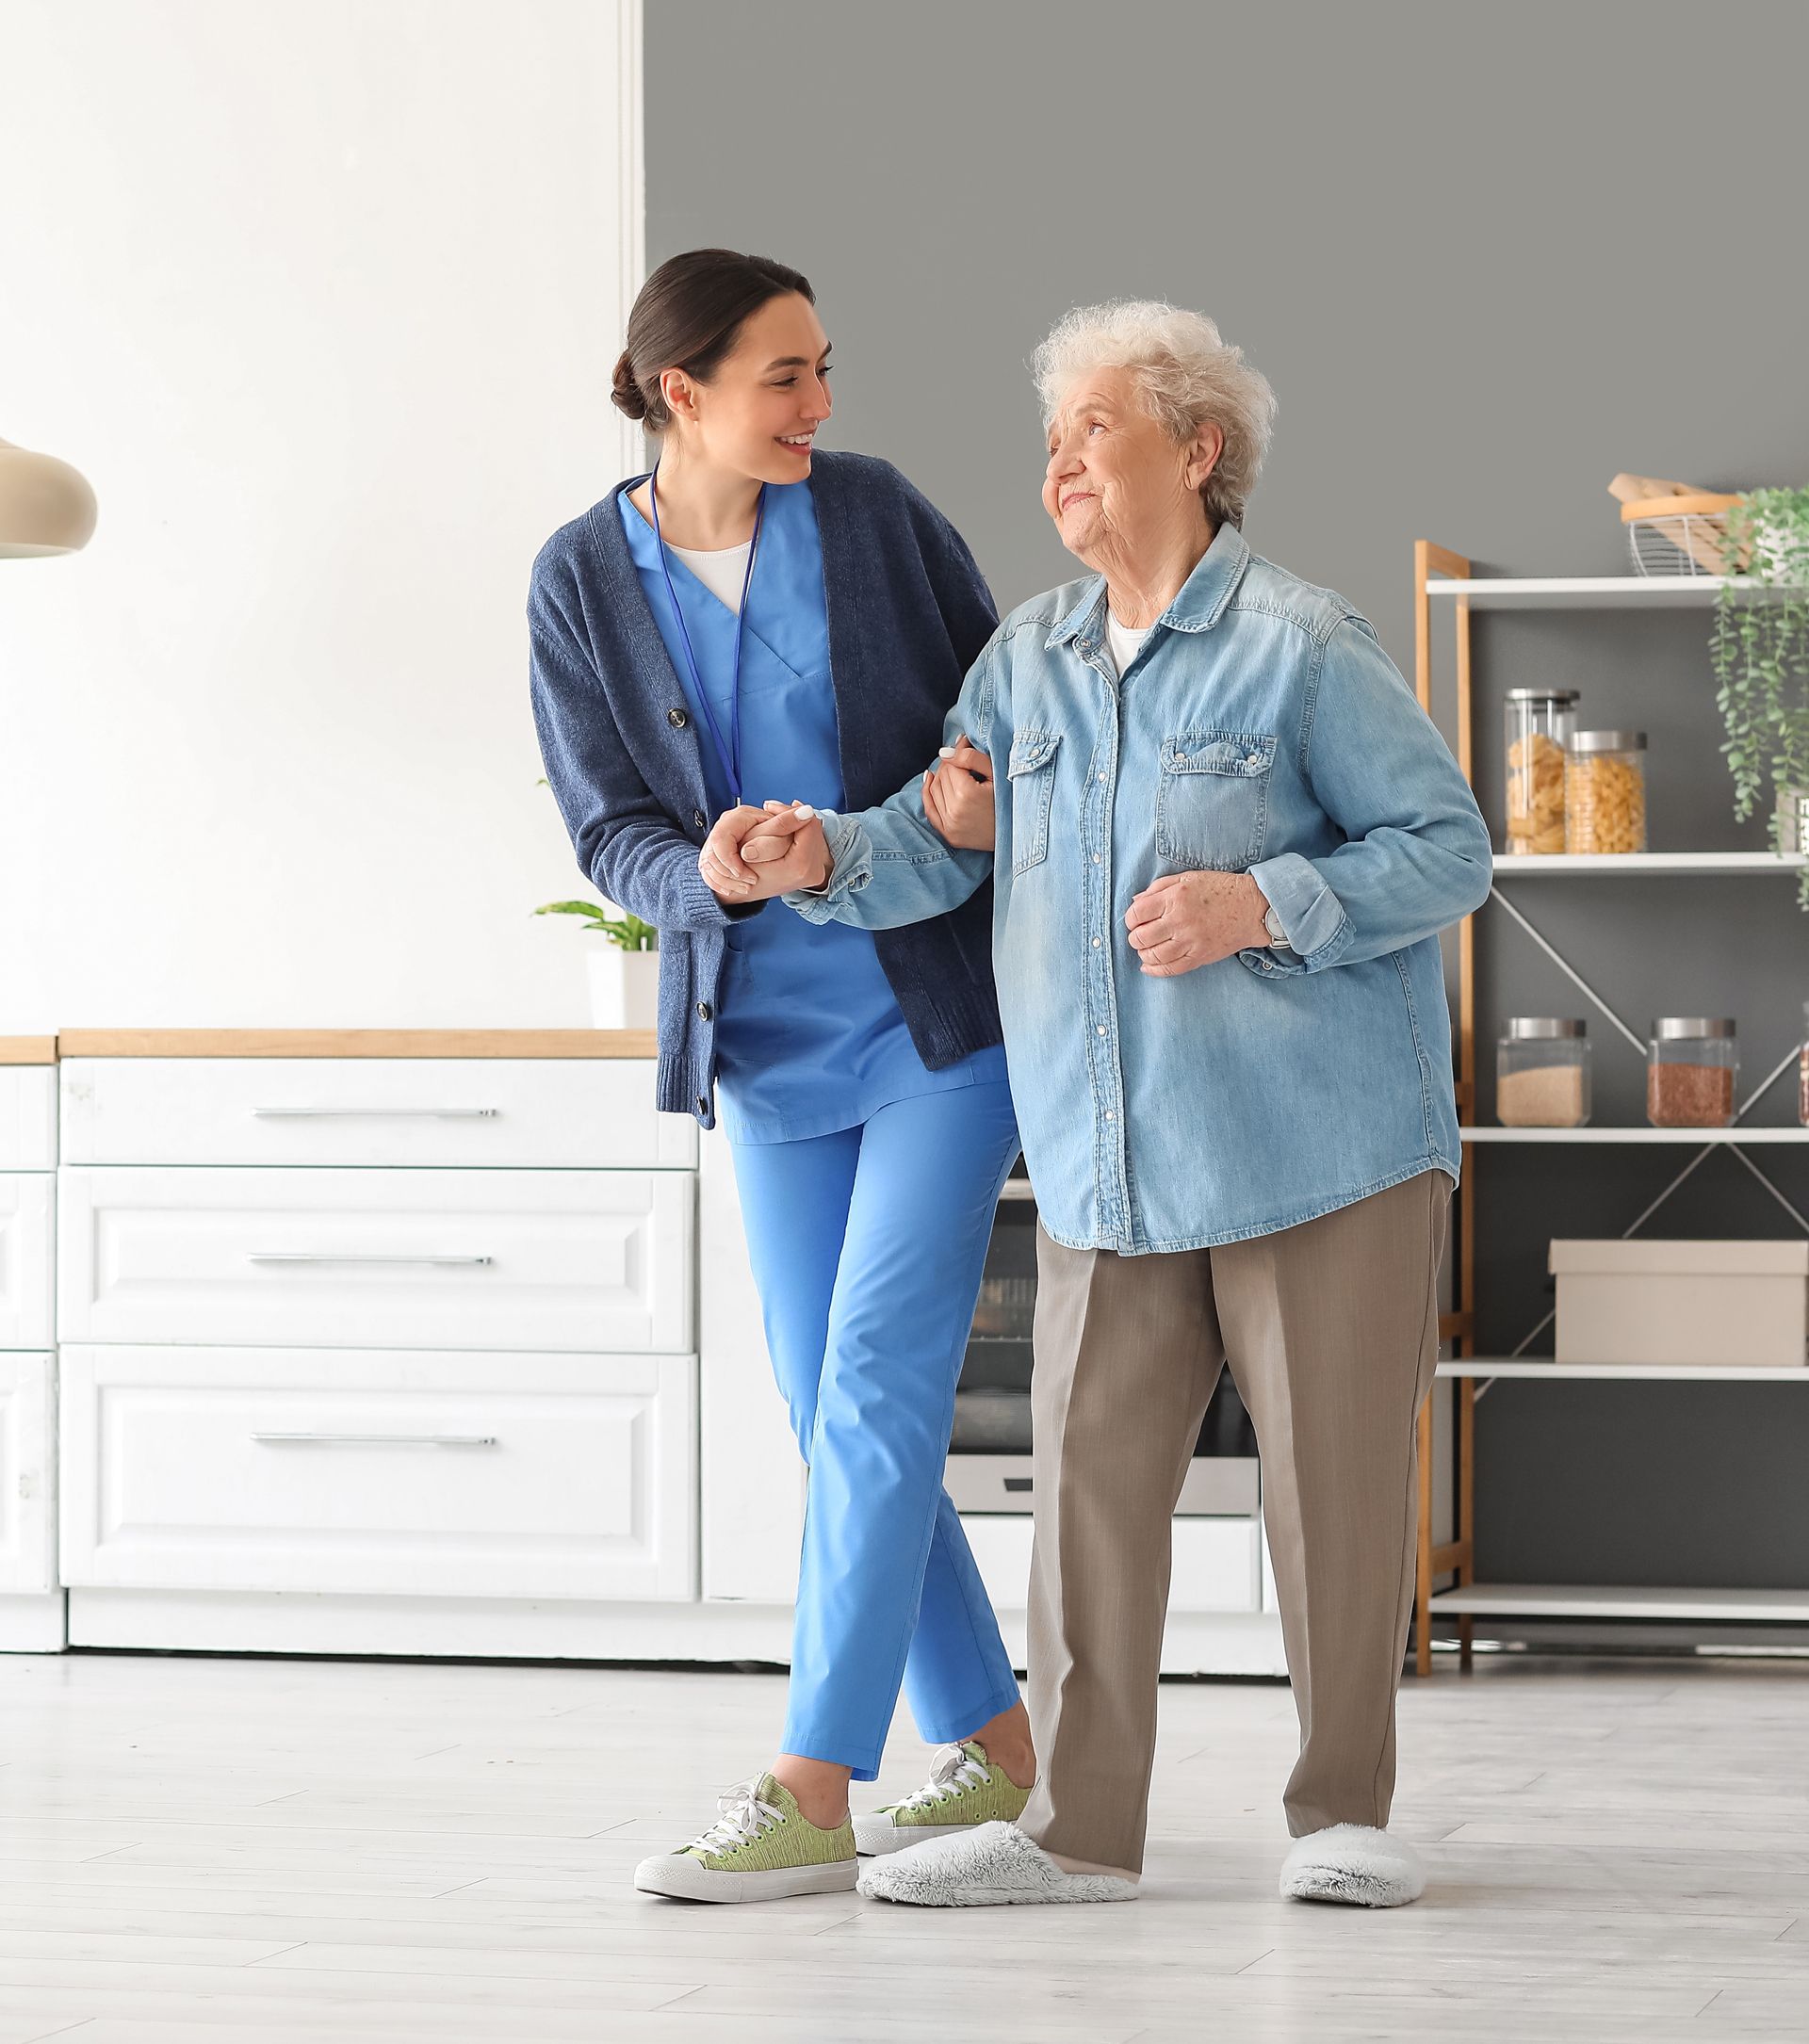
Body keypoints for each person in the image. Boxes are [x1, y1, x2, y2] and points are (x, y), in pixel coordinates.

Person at [714, 299, 1492, 1908]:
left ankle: (1340, 1815)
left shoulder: (1302, 642)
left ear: (1199, 451)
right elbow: (943, 835)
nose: (1060, 462)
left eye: (1094, 428)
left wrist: (1259, 902)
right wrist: (824, 858)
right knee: (1087, 1502)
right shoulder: (1031, 659)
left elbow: (1448, 850)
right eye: (1052, 438)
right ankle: (1078, 1831)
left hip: (1319, 1147)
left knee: (1334, 1494)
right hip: (1108, 1154)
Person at [530, 249, 1035, 1905]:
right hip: (764, 1044)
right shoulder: (577, 581)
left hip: (939, 1025)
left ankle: (811, 1783)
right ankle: (1002, 1753)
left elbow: (1005, 714)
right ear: (682, 393)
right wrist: (717, 879)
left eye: (826, 369)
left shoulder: (876, 514)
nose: (822, 405)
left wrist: (947, 799)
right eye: (785, 378)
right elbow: (614, 828)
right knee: (833, 1416)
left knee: (878, 1387)